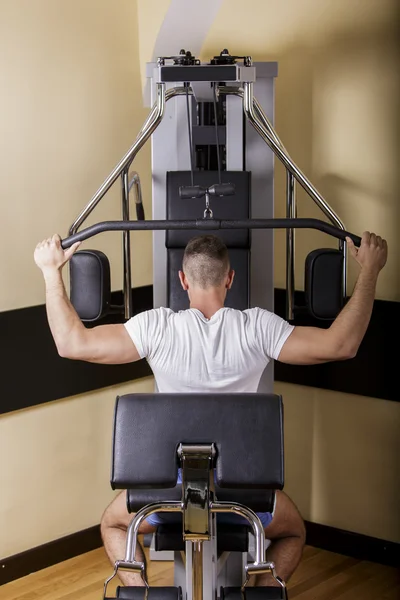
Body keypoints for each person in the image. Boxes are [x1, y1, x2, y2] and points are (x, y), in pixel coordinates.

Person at [34, 230, 387, 587]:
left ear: (183, 279)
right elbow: (342, 344)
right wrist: (370, 271)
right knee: (294, 531)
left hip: (169, 491)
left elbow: (71, 342)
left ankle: (141, 594)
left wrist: (51, 272)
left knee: (112, 523)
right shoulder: (257, 327)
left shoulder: (157, 327)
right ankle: (260, 595)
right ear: (230, 279)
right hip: (243, 491)